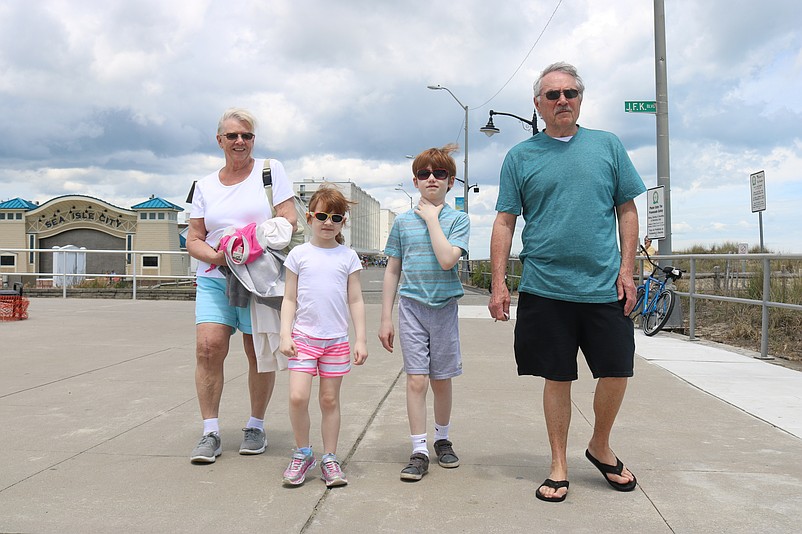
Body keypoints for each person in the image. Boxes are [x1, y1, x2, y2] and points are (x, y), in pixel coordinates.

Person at [488, 62, 646, 502]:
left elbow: (627, 210)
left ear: (580, 99)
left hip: (603, 286)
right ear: (537, 104)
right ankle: (558, 464)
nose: (563, 101)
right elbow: (505, 221)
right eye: (553, 95)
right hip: (545, 286)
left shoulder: (608, 146)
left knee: (617, 370)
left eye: (570, 93)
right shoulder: (521, 156)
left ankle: (600, 445)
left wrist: (627, 271)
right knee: (557, 376)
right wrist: (499, 284)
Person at [186, 108, 297, 464]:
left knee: (258, 353)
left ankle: (255, 425)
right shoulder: (204, 185)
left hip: (259, 279)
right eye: (232, 136)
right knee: (208, 348)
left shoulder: (270, 170)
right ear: (219, 140)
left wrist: (247, 243)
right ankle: (210, 432)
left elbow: (289, 219)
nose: (240, 142)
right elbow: (194, 237)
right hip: (215, 277)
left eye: (246, 136)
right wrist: (220, 258)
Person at [379, 144, 470, 481]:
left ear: (451, 180)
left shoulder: (458, 219)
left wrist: (432, 219)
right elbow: (392, 269)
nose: (432, 179)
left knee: (441, 379)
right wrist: (386, 316)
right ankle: (418, 449)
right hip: (412, 308)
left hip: (444, 308)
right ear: (415, 181)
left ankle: (442, 438)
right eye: (424, 174)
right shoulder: (402, 223)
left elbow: (448, 259)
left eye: (440, 174)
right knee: (416, 379)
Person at [279, 185, 368, 487]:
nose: (328, 222)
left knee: (329, 400)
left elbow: (355, 300)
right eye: (321, 215)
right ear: (309, 217)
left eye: (336, 217)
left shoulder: (348, 257)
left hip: (335, 341)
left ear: (343, 222)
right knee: (297, 396)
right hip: (303, 338)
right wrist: (284, 333)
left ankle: (330, 458)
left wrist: (360, 339)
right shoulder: (298, 254)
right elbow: (289, 298)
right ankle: (303, 453)